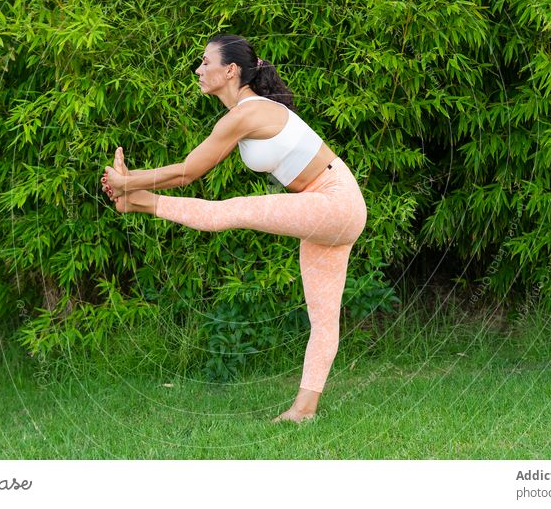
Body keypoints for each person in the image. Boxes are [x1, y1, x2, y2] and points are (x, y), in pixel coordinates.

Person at [101, 34, 367, 423]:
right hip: (333, 208)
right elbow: (189, 168)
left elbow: (188, 173)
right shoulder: (242, 115)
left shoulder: (247, 113)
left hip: (334, 200)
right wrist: (131, 181)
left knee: (232, 210)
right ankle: (304, 411)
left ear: (231, 70)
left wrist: (130, 183)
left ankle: (138, 203)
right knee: (323, 319)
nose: (198, 69)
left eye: (205, 62)